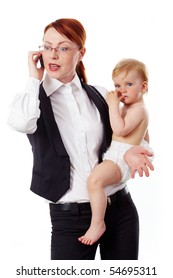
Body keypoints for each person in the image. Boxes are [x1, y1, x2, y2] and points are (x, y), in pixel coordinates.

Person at [7, 18, 154, 260]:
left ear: (81, 53)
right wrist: (34, 78)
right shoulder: (31, 100)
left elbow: (132, 130)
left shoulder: (99, 94)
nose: (52, 54)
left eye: (63, 48)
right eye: (47, 47)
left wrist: (131, 151)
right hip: (70, 218)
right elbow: (21, 123)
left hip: (120, 209)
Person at [78, 58, 152, 246]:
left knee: (94, 181)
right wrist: (139, 147)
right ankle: (98, 221)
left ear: (143, 87)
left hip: (119, 160)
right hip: (117, 156)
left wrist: (112, 105)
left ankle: (98, 223)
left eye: (129, 84)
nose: (121, 90)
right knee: (96, 181)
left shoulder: (139, 110)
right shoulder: (130, 108)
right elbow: (146, 138)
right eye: (117, 85)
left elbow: (119, 130)